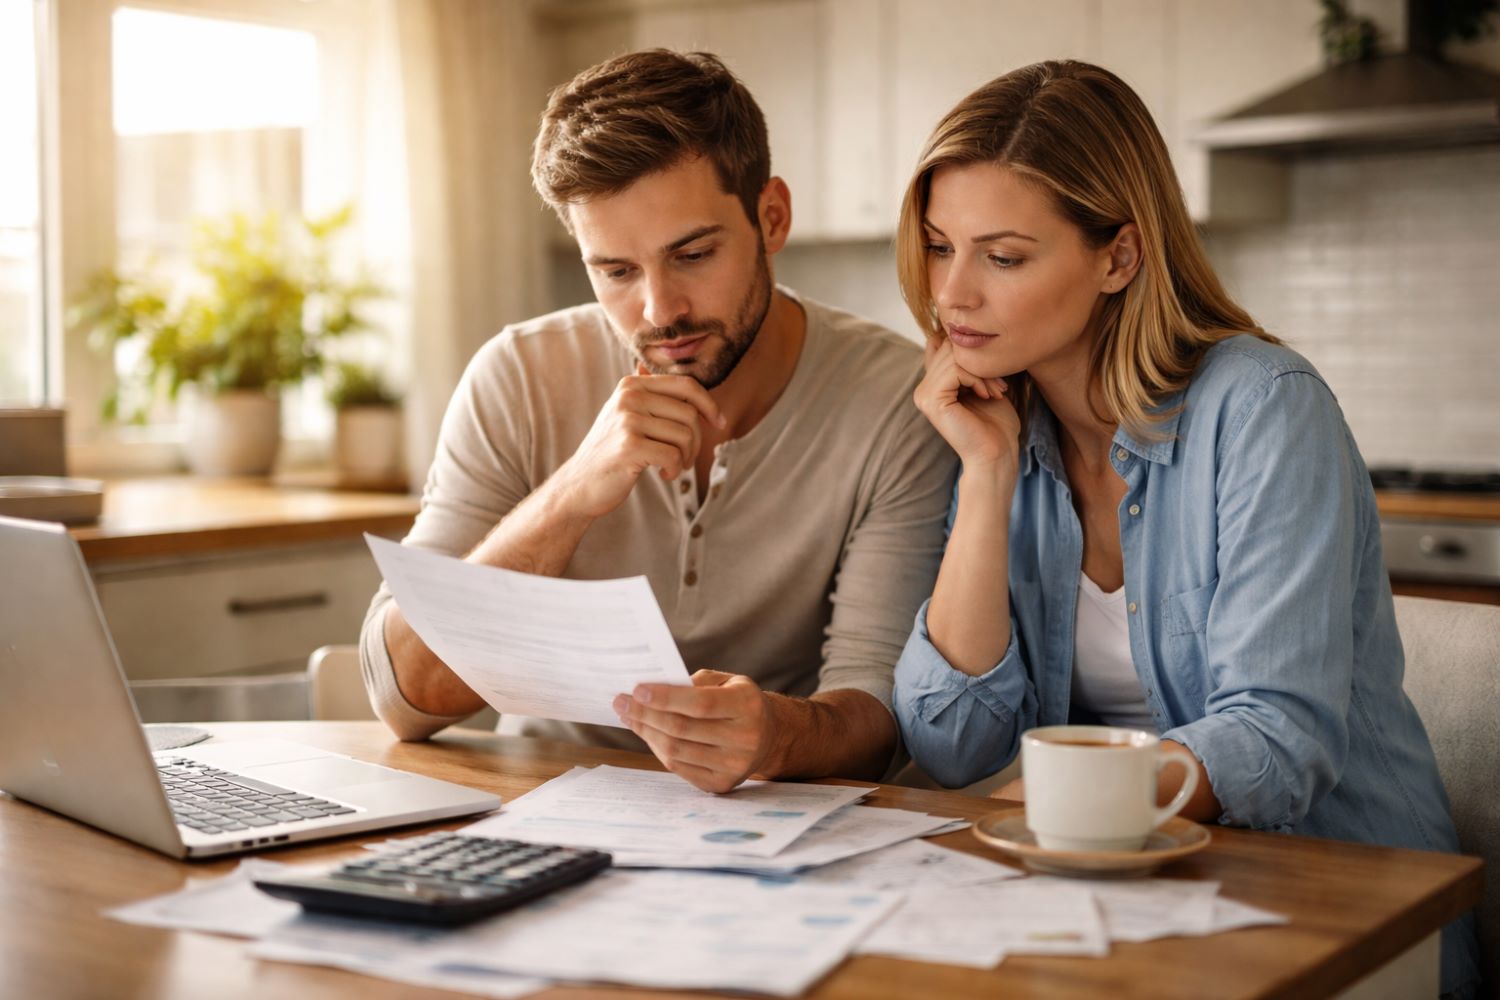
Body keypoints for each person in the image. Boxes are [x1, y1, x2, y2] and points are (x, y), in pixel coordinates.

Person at [890, 60, 1479, 998]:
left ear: (1118, 257)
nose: (951, 294)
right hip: (1117, 902)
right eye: (936, 246)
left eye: (1002, 257)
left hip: (1341, 909)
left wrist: (1048, 800)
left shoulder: (1262, 410)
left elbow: (1278, 737)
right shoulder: (991, 422)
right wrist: (988, 471)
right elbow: (952, 740)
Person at [360, 49, 957, 796]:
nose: (658, 310)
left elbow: (880, 720)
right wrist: (573, 493)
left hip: (773, 825)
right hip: (541, 806)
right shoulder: (516, 377)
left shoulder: (893, 403)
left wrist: (777, 735)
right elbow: (405, 699)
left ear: (771, 217)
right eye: (615, 271)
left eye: (694, 253)